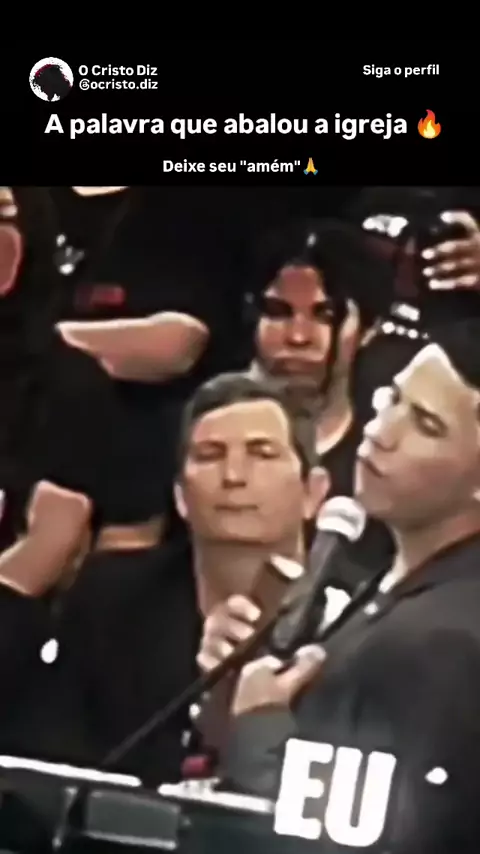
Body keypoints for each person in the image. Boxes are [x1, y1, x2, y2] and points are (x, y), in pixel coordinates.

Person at [210, 319, 480, 852]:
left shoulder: (448, 638)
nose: (381, 432)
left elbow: (364, 840)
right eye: (392, 399)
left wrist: (259, 726)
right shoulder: (392, 584)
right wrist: (236, 692)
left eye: (426, 425)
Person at [247, 219, 395, 591]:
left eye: (325, 315)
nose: (298, 337)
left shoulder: (391, 467)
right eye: (277, 311)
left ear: (369, 329)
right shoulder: (194, 436)